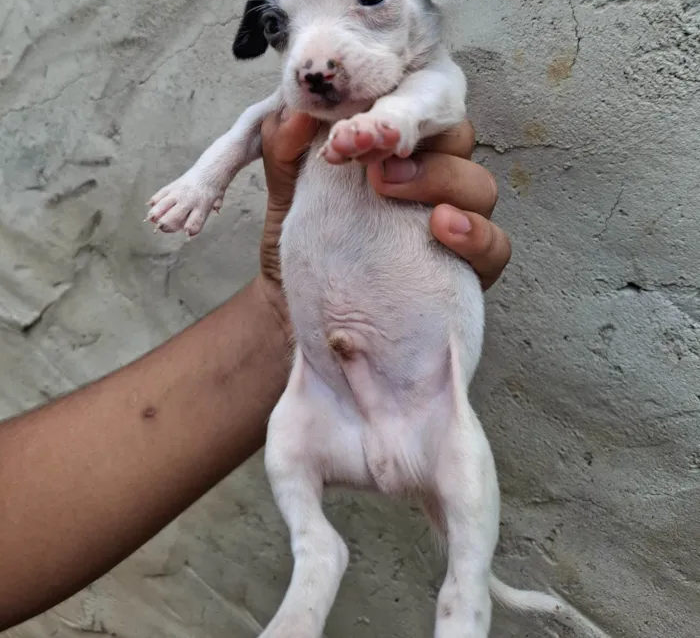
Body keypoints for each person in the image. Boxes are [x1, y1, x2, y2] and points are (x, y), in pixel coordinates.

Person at [0, 111, 511, 630]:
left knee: (455, 468)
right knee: (287, 450)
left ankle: (466, 604)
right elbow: (254, 124)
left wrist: (282, 308)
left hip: (387, 358)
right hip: (328, 370)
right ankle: (317, 551)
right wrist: (204, 181)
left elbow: (440, 95)